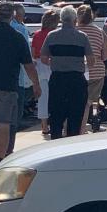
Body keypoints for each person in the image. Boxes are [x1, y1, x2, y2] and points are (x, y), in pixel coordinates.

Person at [0, 2, 40, 175]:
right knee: (4, 125)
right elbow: (28, 65)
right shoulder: (17, 36)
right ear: (12, 16)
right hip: (8, 86)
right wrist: (36, 84)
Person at [40, 5, 92, 139]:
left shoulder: (52, 36)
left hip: (58, 79)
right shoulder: (82, 37)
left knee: (56, 116)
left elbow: (44, 57)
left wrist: (56, 63)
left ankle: (56, 143)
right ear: (75, 19)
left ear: (61, 20)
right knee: (75, 116)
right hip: (76, 80)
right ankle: (71, 144)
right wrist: (81, 65)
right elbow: (91, 60)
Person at [76, 4, 107, 132]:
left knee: (75, 101)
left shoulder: (74, 30)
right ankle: (83, 127)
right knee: (89, 102)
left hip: (77, 70)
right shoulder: (99, 31)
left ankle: (71, 127)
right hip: (96, 71)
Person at [31, 8, 60, 137]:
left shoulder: (37, 34)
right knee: (55, 96)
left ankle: (44, 126)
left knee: (43, 98)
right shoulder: (55, 35)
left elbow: (33, 53)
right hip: (52, 65)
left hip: (39, 66)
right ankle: (55, 122)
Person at [10, 2, 33, 151]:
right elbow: (26, 56)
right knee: (14, 117)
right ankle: (8, 148)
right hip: (17, 79)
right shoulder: (20, 30)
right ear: (17, 15)